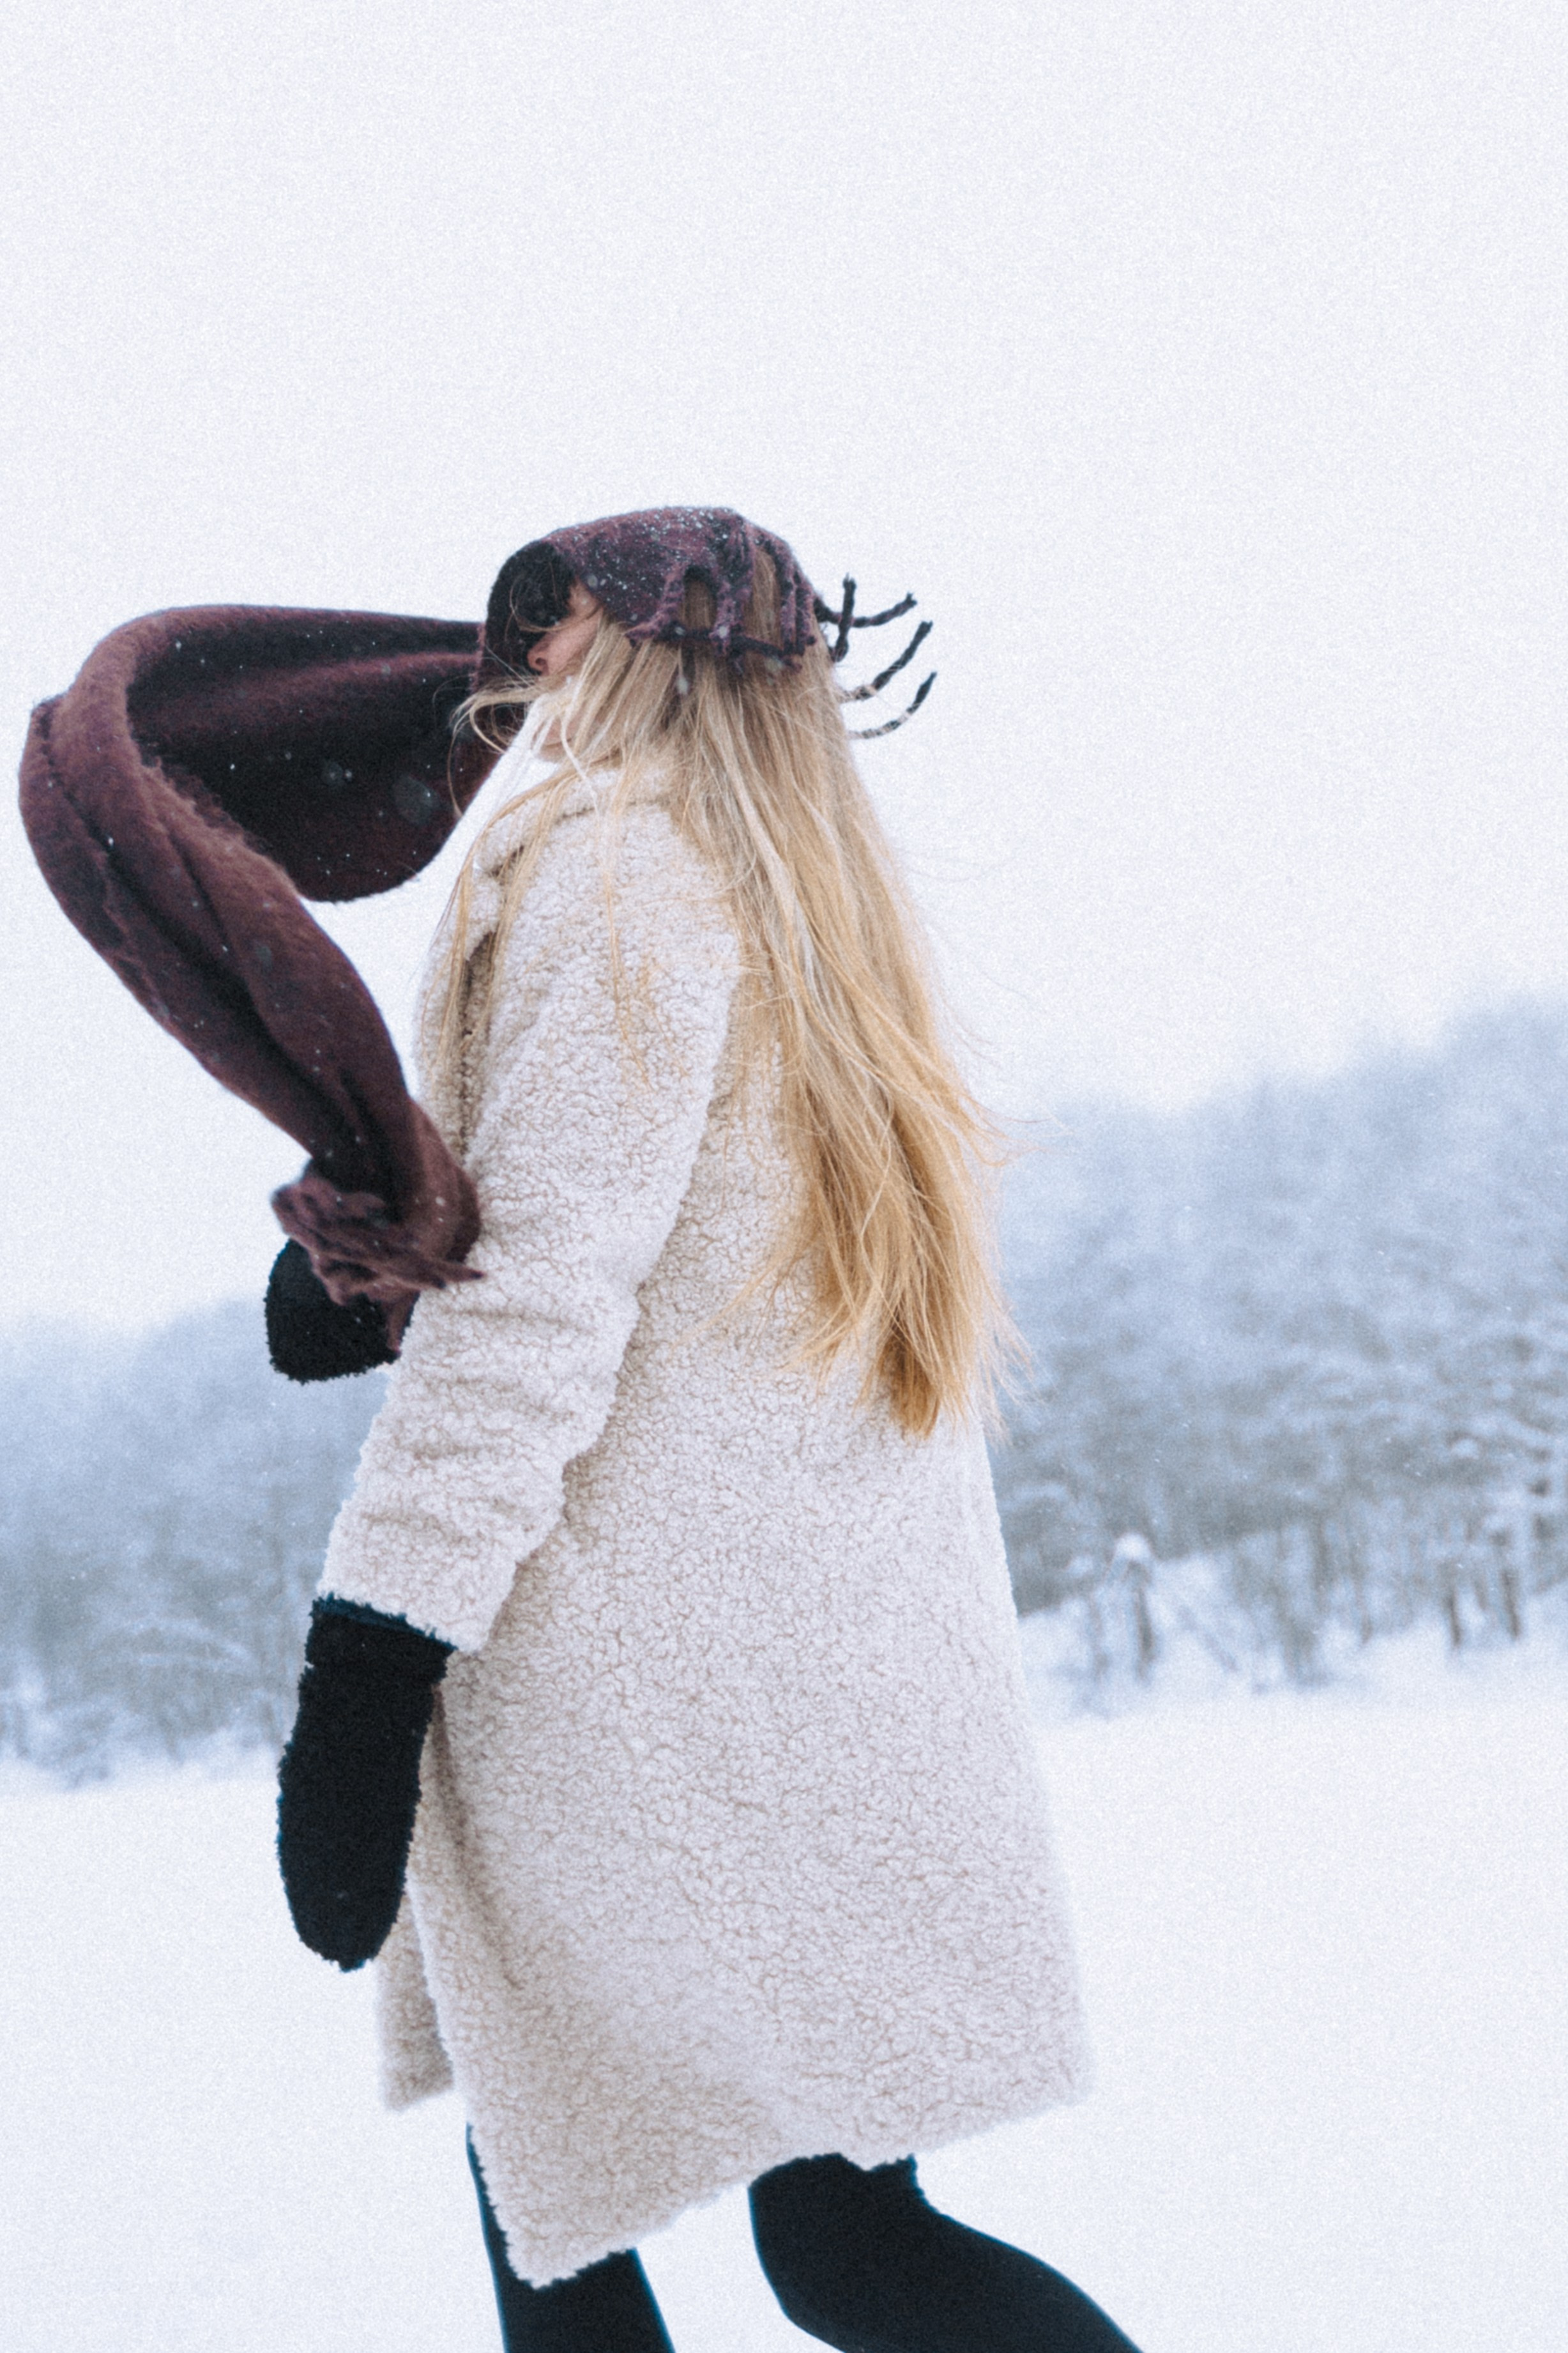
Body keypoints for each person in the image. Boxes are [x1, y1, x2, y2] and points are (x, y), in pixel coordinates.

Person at [270, 509, 1145, 2352]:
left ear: (639, 647)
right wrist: (366, 1254)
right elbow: (571, 1234)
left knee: (560, 2197)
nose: (519, 665)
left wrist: (371, 1659)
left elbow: (535, 1311)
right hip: (822, 1699)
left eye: (552, 622)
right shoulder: (805, 903)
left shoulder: (610, 878)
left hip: (645, 1706)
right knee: (848, 2239)